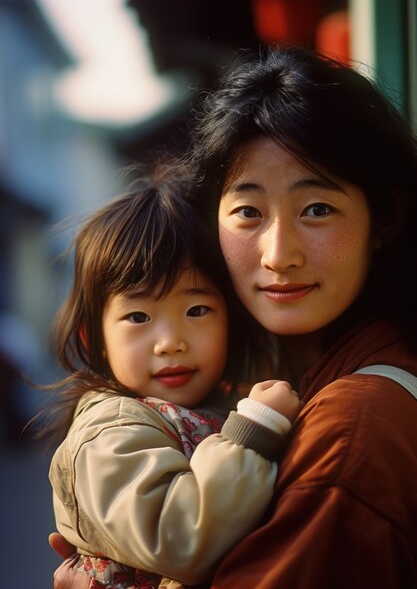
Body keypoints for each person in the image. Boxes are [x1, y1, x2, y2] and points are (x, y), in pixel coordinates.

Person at [53, 44, 417, 588]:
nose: (277, 254)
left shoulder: (350, 427)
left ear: (384, 218)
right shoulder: (283, 385)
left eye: (317, 209)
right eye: (247, 211)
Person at [47, 170, 302, 589]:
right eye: (138, 317)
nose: (170, 343)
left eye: (196, 310)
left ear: (231, 322)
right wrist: (254, 430)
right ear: (96, 340)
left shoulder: (212, 403)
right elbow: (184, 539)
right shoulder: (110, 428)